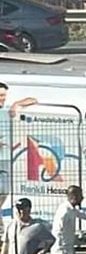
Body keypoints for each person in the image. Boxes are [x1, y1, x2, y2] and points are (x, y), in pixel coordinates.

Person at [0, 82, 37, 210]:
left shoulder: (8, 110)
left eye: (3, 95)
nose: (2, 98)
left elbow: (33, 99)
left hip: (5, 158)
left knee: (5, 190)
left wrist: (17, 104)